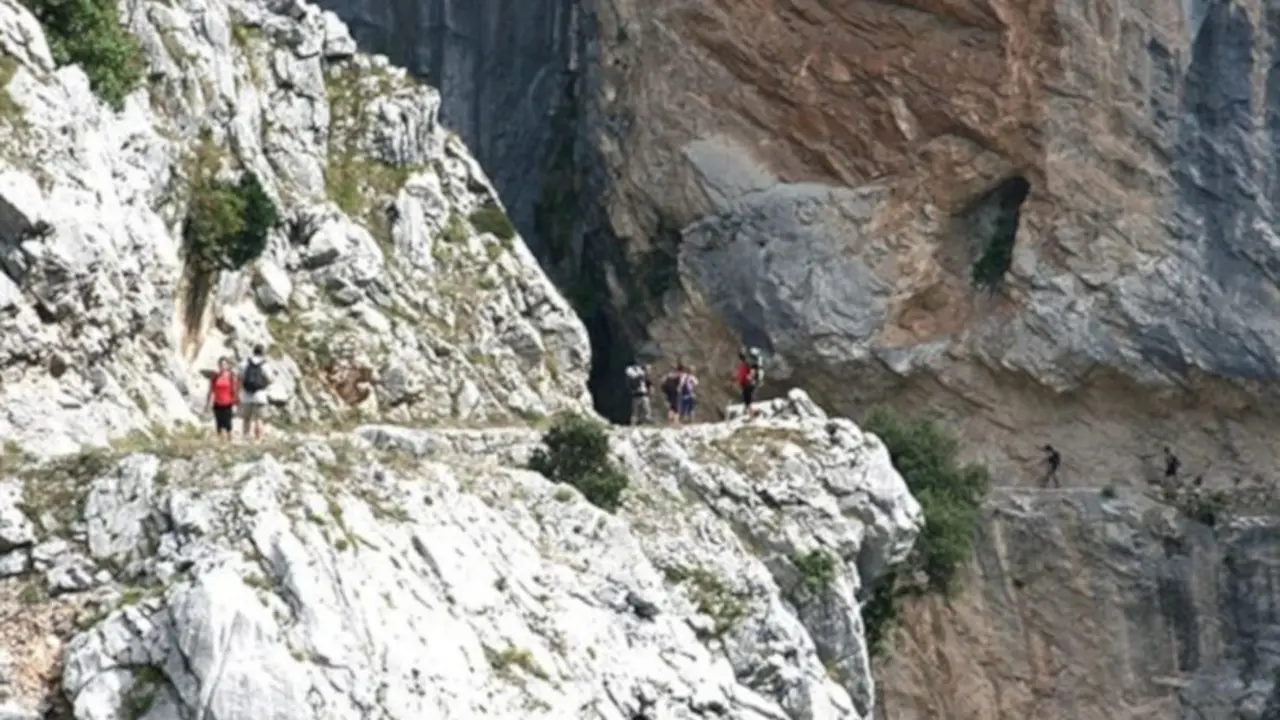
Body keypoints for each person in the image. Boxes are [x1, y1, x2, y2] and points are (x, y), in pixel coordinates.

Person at [240, 344, 271, 442]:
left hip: (246, 395)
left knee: (246, 418)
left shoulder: (245, 363)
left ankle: (245, 437)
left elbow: (239, 376)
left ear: (253, 351)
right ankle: (258, 439)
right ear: (263, 353)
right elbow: (270, 379)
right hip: (260, 395)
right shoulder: (265, 364)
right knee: (259, 419)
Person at [204, 357, 238, 441]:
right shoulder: (215, 377)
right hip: (217, 403)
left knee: (228, 425)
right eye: (221, 364)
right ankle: (221, 443)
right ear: (218, 365)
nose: (222, 366)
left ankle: (230, 442)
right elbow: (210, 390)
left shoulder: (231, 376)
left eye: (224, 364)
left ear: (227, 366)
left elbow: (234, 390)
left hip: (228, 403)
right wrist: (207, 404)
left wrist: (235, 404)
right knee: (219, 424)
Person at [734, 347, 764, 420]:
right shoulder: (749, 365)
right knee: (748, 399)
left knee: (748, 400)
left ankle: (752, 415)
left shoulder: (747, 365)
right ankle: (751, 414)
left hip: (747, 384)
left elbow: (746, 374)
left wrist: (745, 380)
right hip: (748, 383)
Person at [625, 361, 652, 425]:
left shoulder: (641, 375)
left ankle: (642, 422)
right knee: (637, 411)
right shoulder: (636, 375)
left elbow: (647, 382)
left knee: (645, 410)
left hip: (641, 394)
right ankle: (635, 423)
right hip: (637, 394)